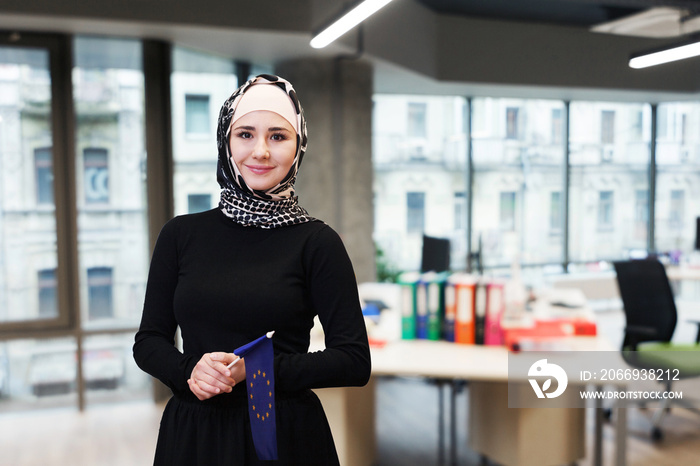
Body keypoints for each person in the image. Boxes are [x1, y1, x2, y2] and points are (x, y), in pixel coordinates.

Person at [133, 74, 371, 465]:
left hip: (284, 435)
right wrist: (189, 369)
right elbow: (149, 342)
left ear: (298, 147)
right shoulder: (180, 235)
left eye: (278, 136)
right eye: (245, 134)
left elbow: (354, 359)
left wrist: (257, 371)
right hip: (194, 435)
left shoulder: (317, 242)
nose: (260, 151)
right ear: (226, 141)